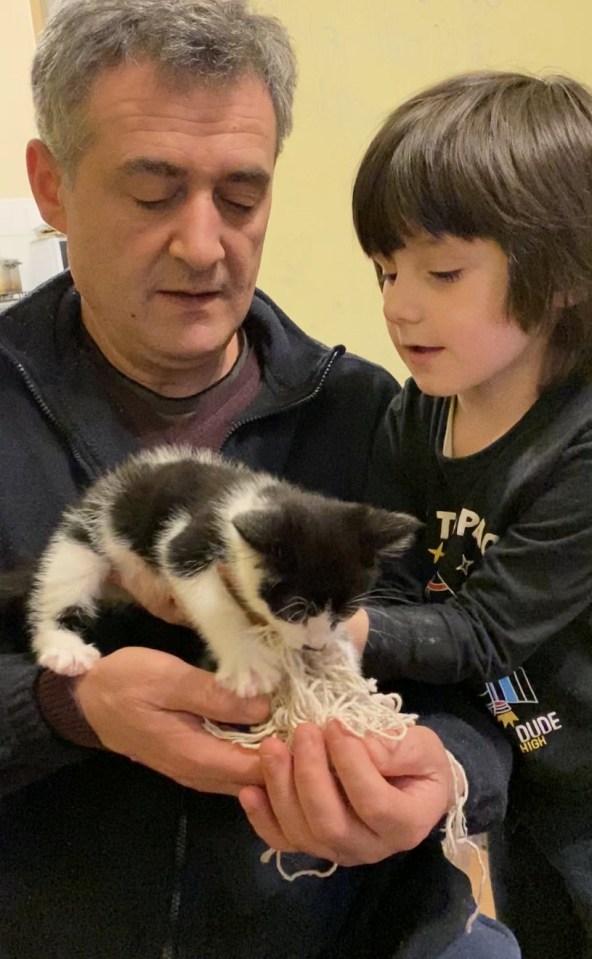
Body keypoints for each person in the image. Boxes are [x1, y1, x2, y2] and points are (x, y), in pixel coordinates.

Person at [0, 3, 520, 957]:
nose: (206, 247)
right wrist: (64, 707)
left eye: (241, 196)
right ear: (53, 185)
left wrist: (450, 773)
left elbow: (510, 673)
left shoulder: (383, 417)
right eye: (152, 192)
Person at [349, 70, 592, 959]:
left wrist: (343, 631)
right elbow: (400, 578)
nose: (399, 304)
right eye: (386, 269)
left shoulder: (578, 442)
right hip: (527, 769)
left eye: (443, 271)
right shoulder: (416, 413)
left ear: (561, 273)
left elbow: (484, 630)